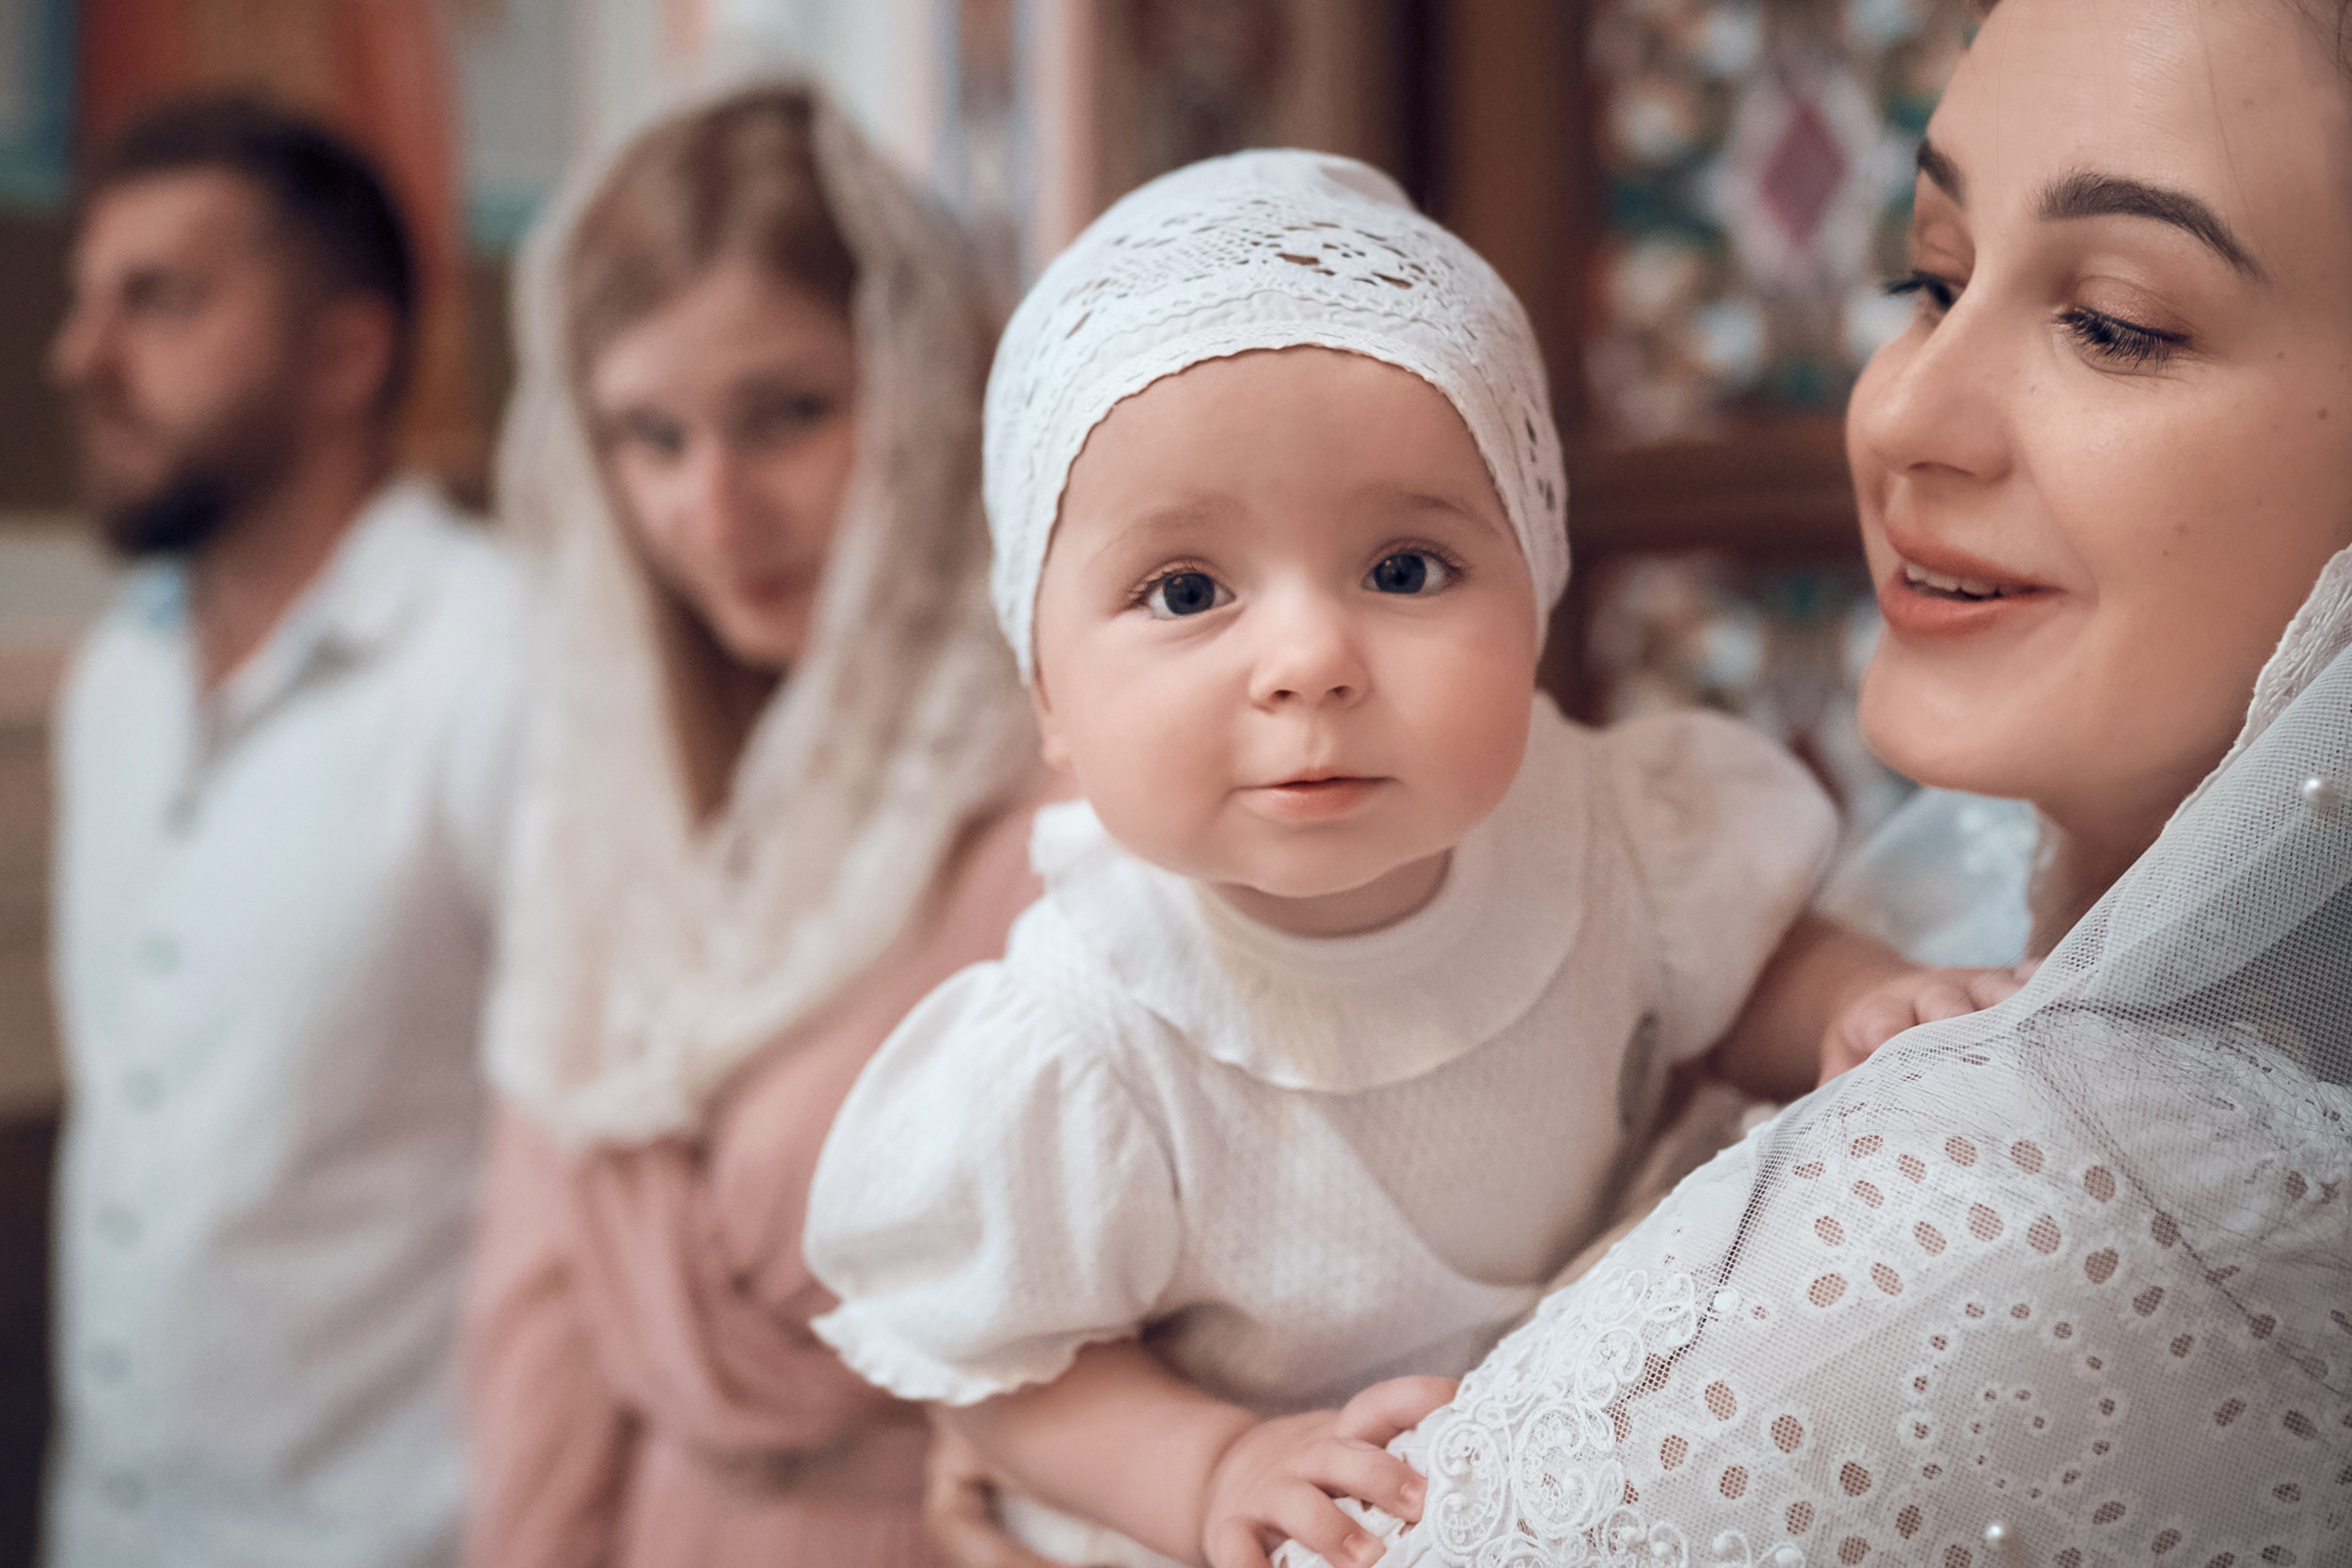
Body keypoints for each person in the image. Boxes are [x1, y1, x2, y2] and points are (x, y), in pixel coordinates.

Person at [802, 150, 2021, 1568]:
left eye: (1403, 570)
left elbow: (1729, 975)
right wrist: (1207, 1467)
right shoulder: (1080, 1039)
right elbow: (1015, 1369)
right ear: (1049, 700)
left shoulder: (1612, 833)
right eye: (1187, 591)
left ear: (1536, 597)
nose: (1311, 661)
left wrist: (1854, 1004)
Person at [1281, 0, 2352, 1560]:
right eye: (1931, 279)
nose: (1898, 409)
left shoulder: (2031, 1193)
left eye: (2115, 321)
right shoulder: (1965, 885)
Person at [460, 81, 1041, 1568]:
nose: (714, 511)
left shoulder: (1062, 790)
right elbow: (537, 1339)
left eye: (785, 415)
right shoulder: (613, 818)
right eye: (651, 438)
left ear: (920, 391)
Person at [41, 98, 519, 1568]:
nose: (81, 358)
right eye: (84, 302)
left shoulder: (505, 662)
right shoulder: (117, 673)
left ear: (345, 355)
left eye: (160, 302)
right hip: (106, 1525)